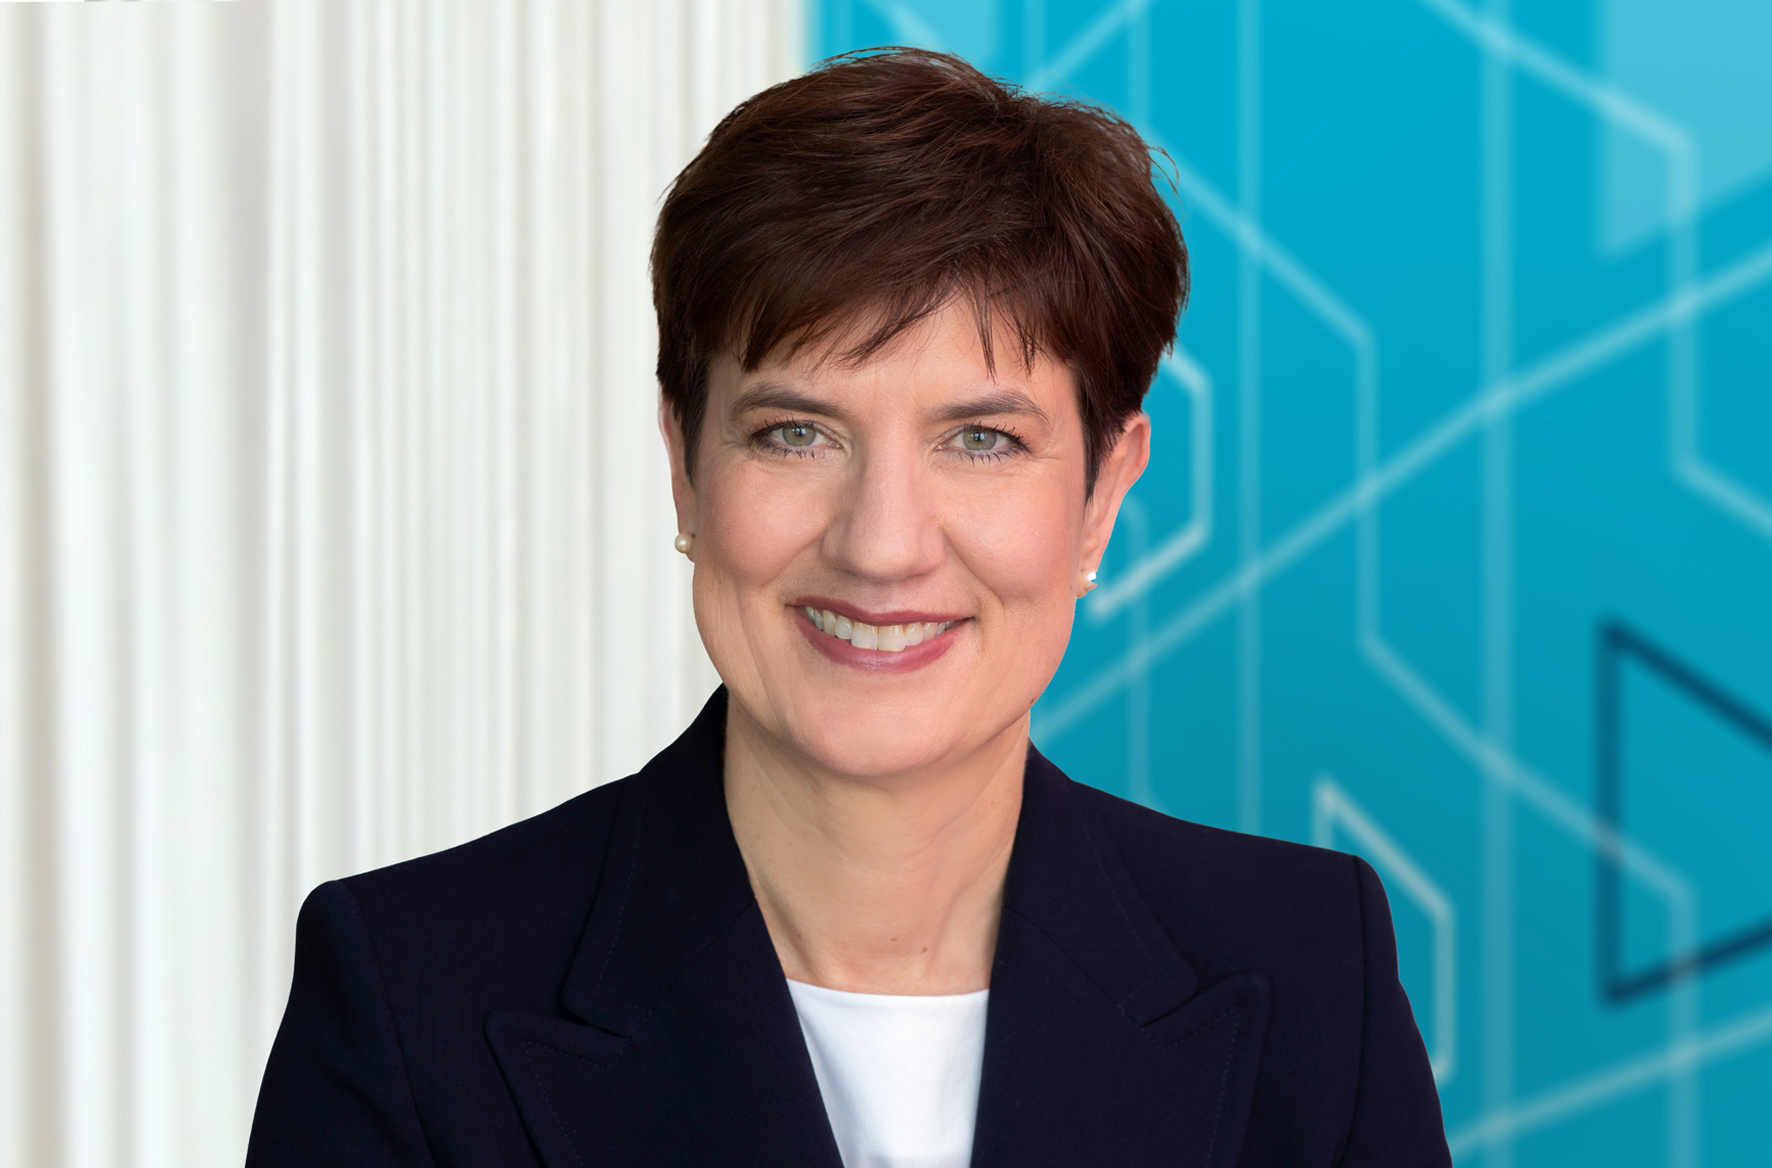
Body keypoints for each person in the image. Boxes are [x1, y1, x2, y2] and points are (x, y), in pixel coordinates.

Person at [246, 49, 1451, 1168]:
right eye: (794, 433)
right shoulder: (409, 996)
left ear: (1100, 495)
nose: (881, 544)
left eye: (980, 439)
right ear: (685, 469)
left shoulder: (1309, 976)